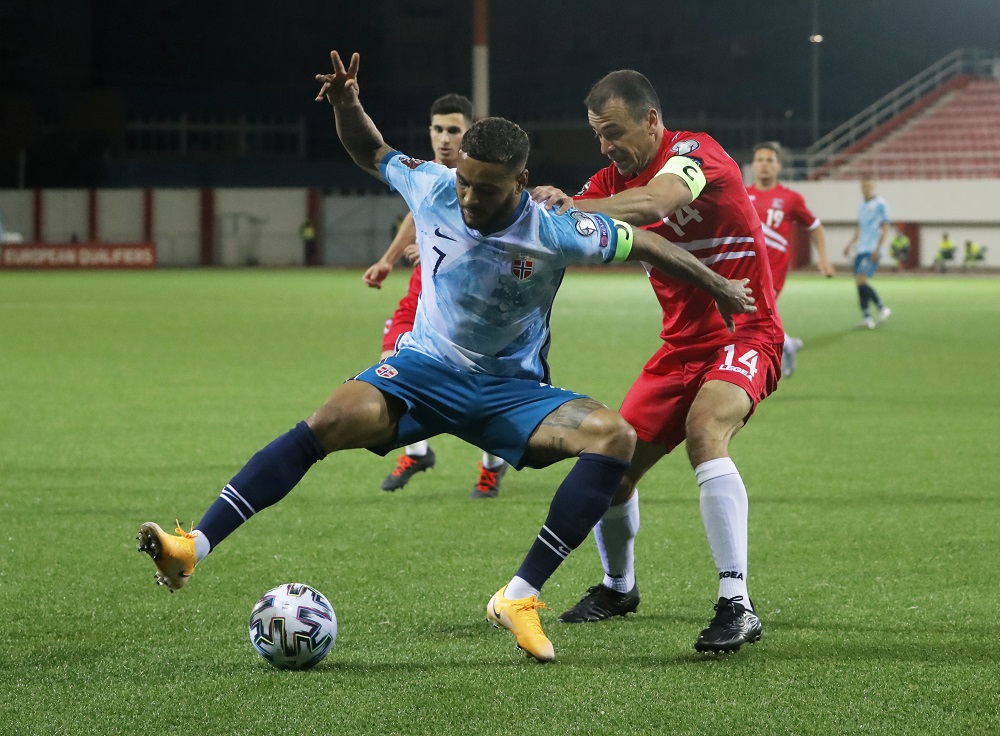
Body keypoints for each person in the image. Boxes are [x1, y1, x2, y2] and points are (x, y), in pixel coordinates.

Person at [136, 50, 757, 664]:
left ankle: (520, 596)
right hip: (423, 372)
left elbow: (647, 237)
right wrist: (349, 105)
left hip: (510, 392)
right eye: (462, 179)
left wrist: (720, 287)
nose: (466, 196)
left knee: (613, 438)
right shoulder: (432, 185)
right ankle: (194, 545)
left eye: (484, 189)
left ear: (517, 182)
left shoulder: (554, 227)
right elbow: (371, 151)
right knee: (325, 422)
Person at [531, 69, 783, 653]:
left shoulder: (697, 153)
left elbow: (654, 203)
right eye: (597, 135)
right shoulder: (605, 179)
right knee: (610, 462)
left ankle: (735, 603)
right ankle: (620, 587)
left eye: (613, 132)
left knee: (705, 429)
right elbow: (572, 225)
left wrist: (576, 204)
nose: (605, 147)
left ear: (650, 120)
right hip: (680, 349)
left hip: (745, 330)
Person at [362, 94, 509, 498]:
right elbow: (417, 214)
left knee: (480, 388)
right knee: (391, 364)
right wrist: (388, 260)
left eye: (454, 131)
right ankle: (418, 451)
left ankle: (492, 466)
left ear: (470, 133)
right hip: (421, 290)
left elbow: (496, 241)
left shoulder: (482, 181)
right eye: (438, 130)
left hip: (465, 298)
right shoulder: (426, 175)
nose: (445, 139)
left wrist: (437, 247)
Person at [746, 141, 833, 377]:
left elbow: (815, 227)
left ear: (779, 166)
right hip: (745, 269)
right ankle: (787, 345)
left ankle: (754, 370)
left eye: (770, 161)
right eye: (760, 160)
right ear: (753, 165)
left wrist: (823, 259)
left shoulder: (790, 199)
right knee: (752, 317)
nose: (765, 165)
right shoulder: (743, 195)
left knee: (753, 317)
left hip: (773, 271)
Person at [842, 176, 891, 329]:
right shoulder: (861, 205)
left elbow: (885, 228)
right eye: (864, 186)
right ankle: (867, 317)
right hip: (861, 248)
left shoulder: (880, 204)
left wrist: (878, 248)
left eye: (869, 186)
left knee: (861, 280)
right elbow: (860, 227)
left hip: (872, 248)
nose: (866, 189)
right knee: (858, 283)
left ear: (873, 187)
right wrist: (850, 244)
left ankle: (882, 308)